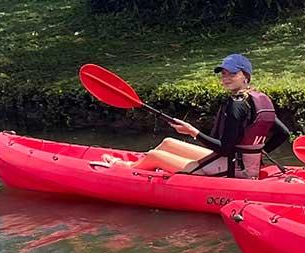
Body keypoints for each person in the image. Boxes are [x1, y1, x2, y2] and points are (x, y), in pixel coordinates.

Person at [107, 53, 290, 177]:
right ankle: (144, 163)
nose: (226, 77)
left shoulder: (236, 106)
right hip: (238, 162)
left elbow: (225, 149)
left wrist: (193, 132)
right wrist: (255, 155)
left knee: (156, 156)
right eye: (224, 73)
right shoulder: (258, 99)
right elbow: (283, 134)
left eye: (232, 73)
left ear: (245, 76)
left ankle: (125, 169)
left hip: (230, 167)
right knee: (168, 143)